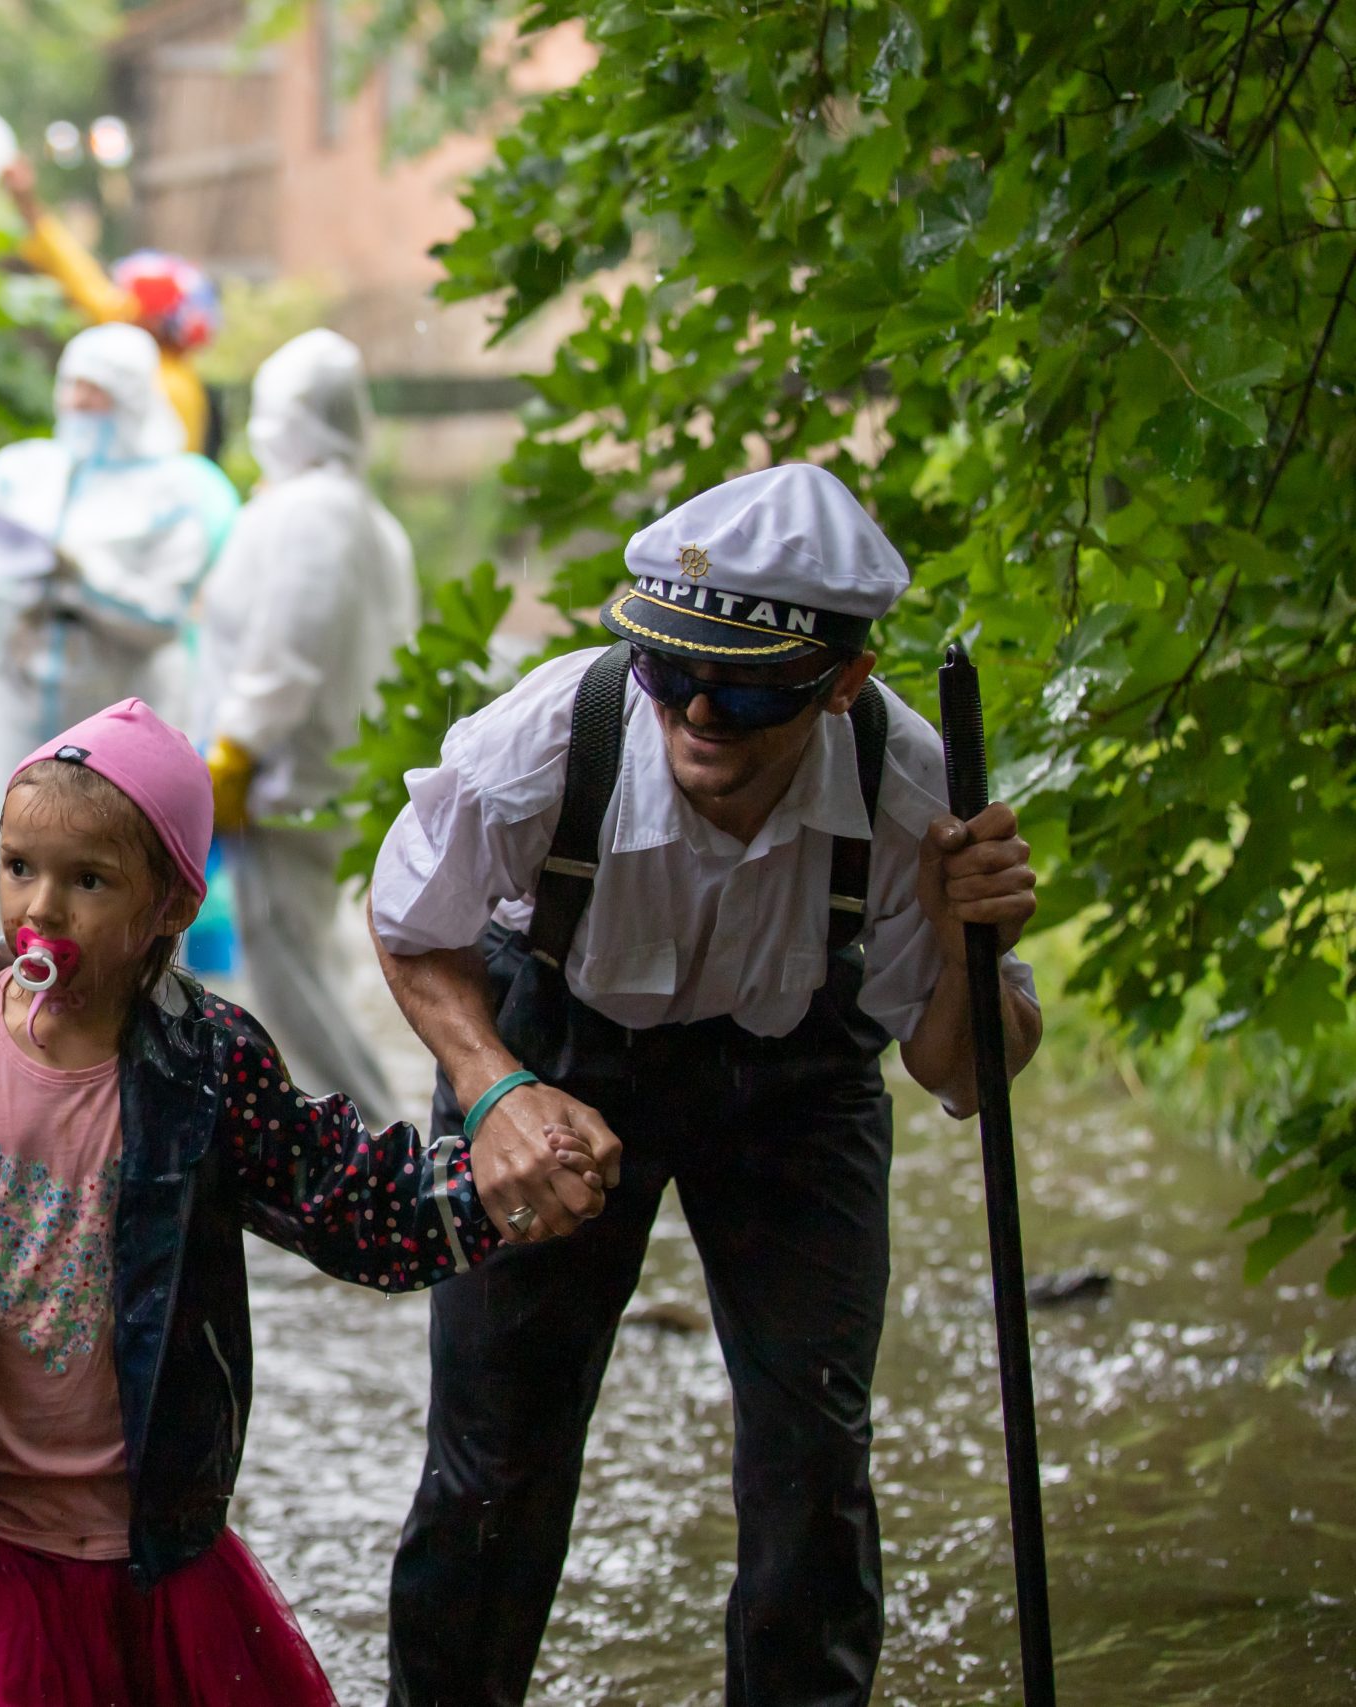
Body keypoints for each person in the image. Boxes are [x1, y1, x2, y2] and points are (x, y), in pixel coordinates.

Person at [0, 698, 602, 1706]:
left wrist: (491, 1193)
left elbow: (343, 1199)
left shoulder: (207, 1069)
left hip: (146, 1538)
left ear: (172, 906)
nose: (41, 908)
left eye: (89, 880)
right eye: (19, 867)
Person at [369, 463, 1046, 1705]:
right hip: (555, 1054)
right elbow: (414, 926)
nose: (697, 710)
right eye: (669, 668)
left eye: (744, 684)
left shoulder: (908, 787)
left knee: (813, 1452)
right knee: (494, 1457)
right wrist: (491, 1088)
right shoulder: (547, 737)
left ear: (841, 682)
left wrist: (969, 944)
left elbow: (961, 1071)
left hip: (796, 1089)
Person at [0, 322, 237, 925]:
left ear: (132, 395)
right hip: (16, 690)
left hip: (116, 704)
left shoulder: (175, 490)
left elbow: (162, 614)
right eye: (71, 386)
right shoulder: (20, 471)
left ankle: (100, 983)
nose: (78, 402)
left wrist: (80, 578)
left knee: (110, 867)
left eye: (95, 390)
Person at [193, 327, 416, 1128]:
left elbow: (291, 642)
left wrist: (237, 746)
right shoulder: (364, 515)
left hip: (287, 776)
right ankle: (333, 1140)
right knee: (305, 961)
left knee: (292, 977)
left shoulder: (312, 511)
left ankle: (379, 1139)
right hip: (330, 773)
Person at [0, 157, 217, 455]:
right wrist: (27, 203)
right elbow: (76, 271)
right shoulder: (131, 338)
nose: (121, 305)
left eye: (132, 303)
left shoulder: (170, 387)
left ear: (156, 321)